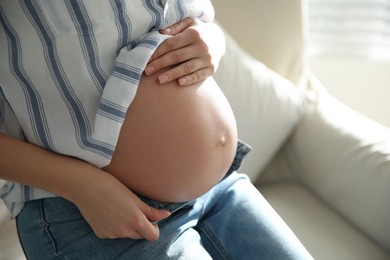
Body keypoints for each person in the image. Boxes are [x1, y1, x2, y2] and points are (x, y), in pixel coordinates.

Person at [0, 0, 313, 259]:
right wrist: (79, 186)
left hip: (219, 188)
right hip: (97, 212)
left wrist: (210, 40)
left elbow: (185, 16)